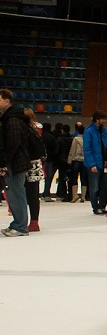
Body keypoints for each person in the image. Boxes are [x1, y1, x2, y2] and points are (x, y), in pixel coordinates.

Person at [0, 88, 31, 236]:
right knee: (13, 194)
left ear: (7, 101)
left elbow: (13, 143)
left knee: (16, 194)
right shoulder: (9, 118)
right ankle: (17, 223)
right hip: (15, 161)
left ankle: (20, 226)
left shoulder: (12, 119)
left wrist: (5, 161)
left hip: (15, 163)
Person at [83, 110, 107, 215]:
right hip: (94, 163)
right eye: (103, 119)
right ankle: (95, 207)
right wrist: (91, 164)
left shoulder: (104, 131)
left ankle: (102, 205)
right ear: (97, 119)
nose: (105, 121)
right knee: (94, 187)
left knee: (105, 186)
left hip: (104, 163)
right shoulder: (88, 131)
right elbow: (87, 149)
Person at [22, 109, 44, 232]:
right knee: (34, 194)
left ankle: (22, 220)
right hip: (36, 165)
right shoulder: (36, 130)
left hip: (24, 164)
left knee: (21, 193)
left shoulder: (24, 130)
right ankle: (34, 221)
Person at [67, 122, 86, 202]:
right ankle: (83, 196)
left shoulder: (75, 139)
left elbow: (72, 150)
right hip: (84, 161)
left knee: (74, 178)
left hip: (76, 160)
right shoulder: (87, 139)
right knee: (84, 178)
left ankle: (75, 195)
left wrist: (69, 160)